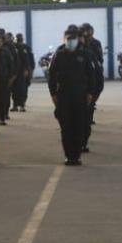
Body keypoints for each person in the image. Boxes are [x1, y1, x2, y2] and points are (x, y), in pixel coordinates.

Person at [48, 27, 97, 166]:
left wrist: (90, 93)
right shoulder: (59, 55)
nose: (71, 42)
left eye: (73, 39)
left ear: (77, 40)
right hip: (64, 96)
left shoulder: (85, 54)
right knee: (66, 127)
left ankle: (77, 155)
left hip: (80, 96)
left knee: (79, 126)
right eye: (68, 39)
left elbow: (92, 75)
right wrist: (53, 93)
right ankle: (69, 156)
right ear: (64, 40)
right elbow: (52, 76)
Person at [81, 22, 105, 151]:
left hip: (92, 77)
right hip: (76, 86)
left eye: (89, 31)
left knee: (88, 111)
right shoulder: (67, 50)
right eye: (84, 31)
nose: (87, 34)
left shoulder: (95, 44)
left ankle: (83, 142)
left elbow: (100, 59)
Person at [0, 31, 17, 125]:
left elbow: (11, 65)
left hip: (3, 79)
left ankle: (2, 117)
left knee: (3, 99)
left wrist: (11, 77)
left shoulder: (6, 51)